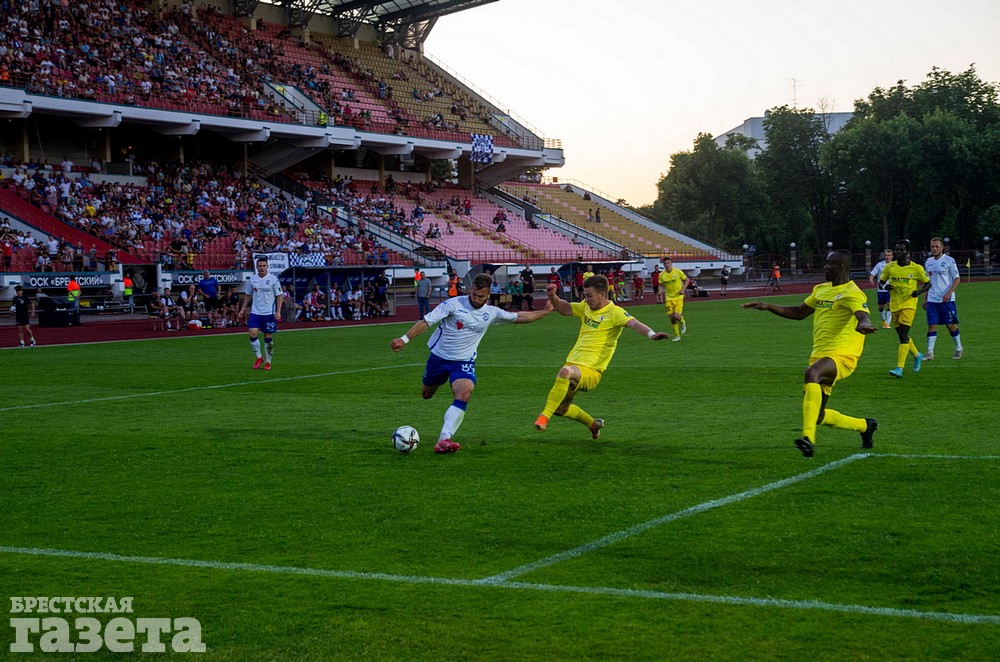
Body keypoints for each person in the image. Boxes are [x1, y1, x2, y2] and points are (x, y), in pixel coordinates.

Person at [390, 273, 551, 454]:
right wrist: (404, 339)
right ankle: (441, 414)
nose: (476, 298)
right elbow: (426, 322)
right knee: (426, 394)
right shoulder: (453, 304)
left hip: (463, 361)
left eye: (481, 296)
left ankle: (444, 439)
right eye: (474, 294)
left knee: (465, 392)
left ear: (488, 294)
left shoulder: (491, 313)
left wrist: (544, 312)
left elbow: (519, 317)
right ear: (471, 289)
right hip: (438, 358)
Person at [742, 250, 878, 458]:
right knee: (817, 415)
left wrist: (865, 325)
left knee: (811, 373)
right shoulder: (820, 290)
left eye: (828, 264)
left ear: (841, 267)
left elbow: (863, 315)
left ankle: (808, 439)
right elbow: (798, 312)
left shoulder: (853, 293)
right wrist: (767, 306)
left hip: (843, 356)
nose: (825, 268)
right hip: (820, 355)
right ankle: (864, 426)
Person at [534, 274, 668, 438]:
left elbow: (634, 324)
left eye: (589, 295)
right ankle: (593, 425)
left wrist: (651, 335)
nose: (586, 299)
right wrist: (553, 297)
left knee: (565, 372)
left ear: (603, 294)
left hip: (591, 371)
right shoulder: (586, 307)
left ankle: (543, 417)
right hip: (574, 364)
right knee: (561, 409)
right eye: (585, 295)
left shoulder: (615, 312)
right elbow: (565, 308)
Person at [879, 240, 930, 378]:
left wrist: (917, 293)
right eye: (896, 250)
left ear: (908, 252)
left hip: (909, 304)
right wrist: (885, 287)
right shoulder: (890, 268)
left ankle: (899, 368)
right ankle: (917, 354)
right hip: (895, 304)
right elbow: (881, 282)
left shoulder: (916, 268)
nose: (898, 252)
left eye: (901, 250)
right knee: (902, 334)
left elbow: (928, 284)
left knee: (903, 335)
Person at [238, 257, 283, 370]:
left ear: (267, 267)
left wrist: (278, 311)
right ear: (257, 267)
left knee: (268, 337)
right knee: (252, 333)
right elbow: (248, 295)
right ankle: (259, 357)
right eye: (260, 266)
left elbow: (279, 296)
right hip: (256, 312)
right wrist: (242, 309)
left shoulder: (273, 279)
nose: (262, 268)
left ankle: (268, 361)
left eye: (264, 266)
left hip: (269, 313)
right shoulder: (253, 280)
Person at [923, 237, 963, 360]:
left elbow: (957, 279)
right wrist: (925, 299)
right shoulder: (928, 262)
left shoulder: (949, 261)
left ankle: (959, 348)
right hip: (932, 299)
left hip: (946, 299)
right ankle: (930, 353)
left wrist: (949, 293)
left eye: (936, 246)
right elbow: (927, 282)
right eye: (932, 247)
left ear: (942, 248)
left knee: (949, 324)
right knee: (931, 325)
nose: (934, 249)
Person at [658, 256, 689, 341]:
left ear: (671, 263)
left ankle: (682, 322)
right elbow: (660, 285)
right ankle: (677, 336)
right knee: (671, 317)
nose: (667, 265)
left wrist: (683, 289)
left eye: (669, 263)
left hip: (678, 297)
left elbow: (687, 280)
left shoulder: (677, 271)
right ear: (663, 265)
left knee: (676, 316)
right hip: (668, 298)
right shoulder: (662, 275)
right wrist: (660, 291)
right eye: (665, 263)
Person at [868, 249, 894, 329]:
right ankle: (883, 320)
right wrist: (871, 279)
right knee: (881, 307)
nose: (887, 257)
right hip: (881, 289)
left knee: (890, 305)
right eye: (886, 255)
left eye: (889, 255)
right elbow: (873, 273)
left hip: (891, 289)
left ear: (892, 256)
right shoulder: (880, 265)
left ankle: (887, 323)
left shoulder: (895, 265)